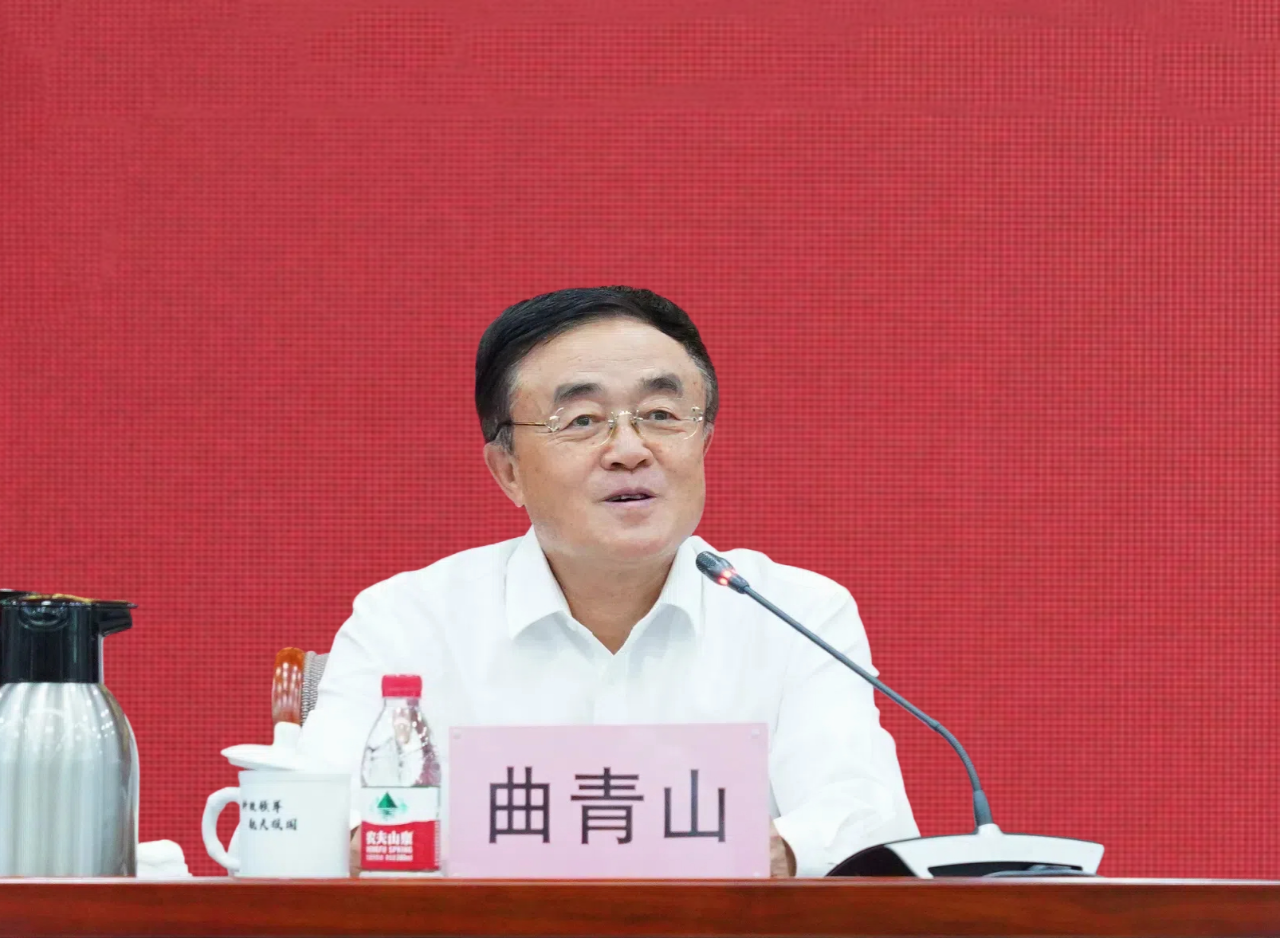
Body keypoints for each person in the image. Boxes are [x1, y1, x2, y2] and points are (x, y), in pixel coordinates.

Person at [297, 286, 918, 876]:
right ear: (508, 471)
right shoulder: (408, 620)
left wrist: (761, 851)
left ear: (704, 443)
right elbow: (311, 823)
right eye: (582, 421)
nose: (629, 450)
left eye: (661, 415)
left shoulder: (794, 612)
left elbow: (865, 822)